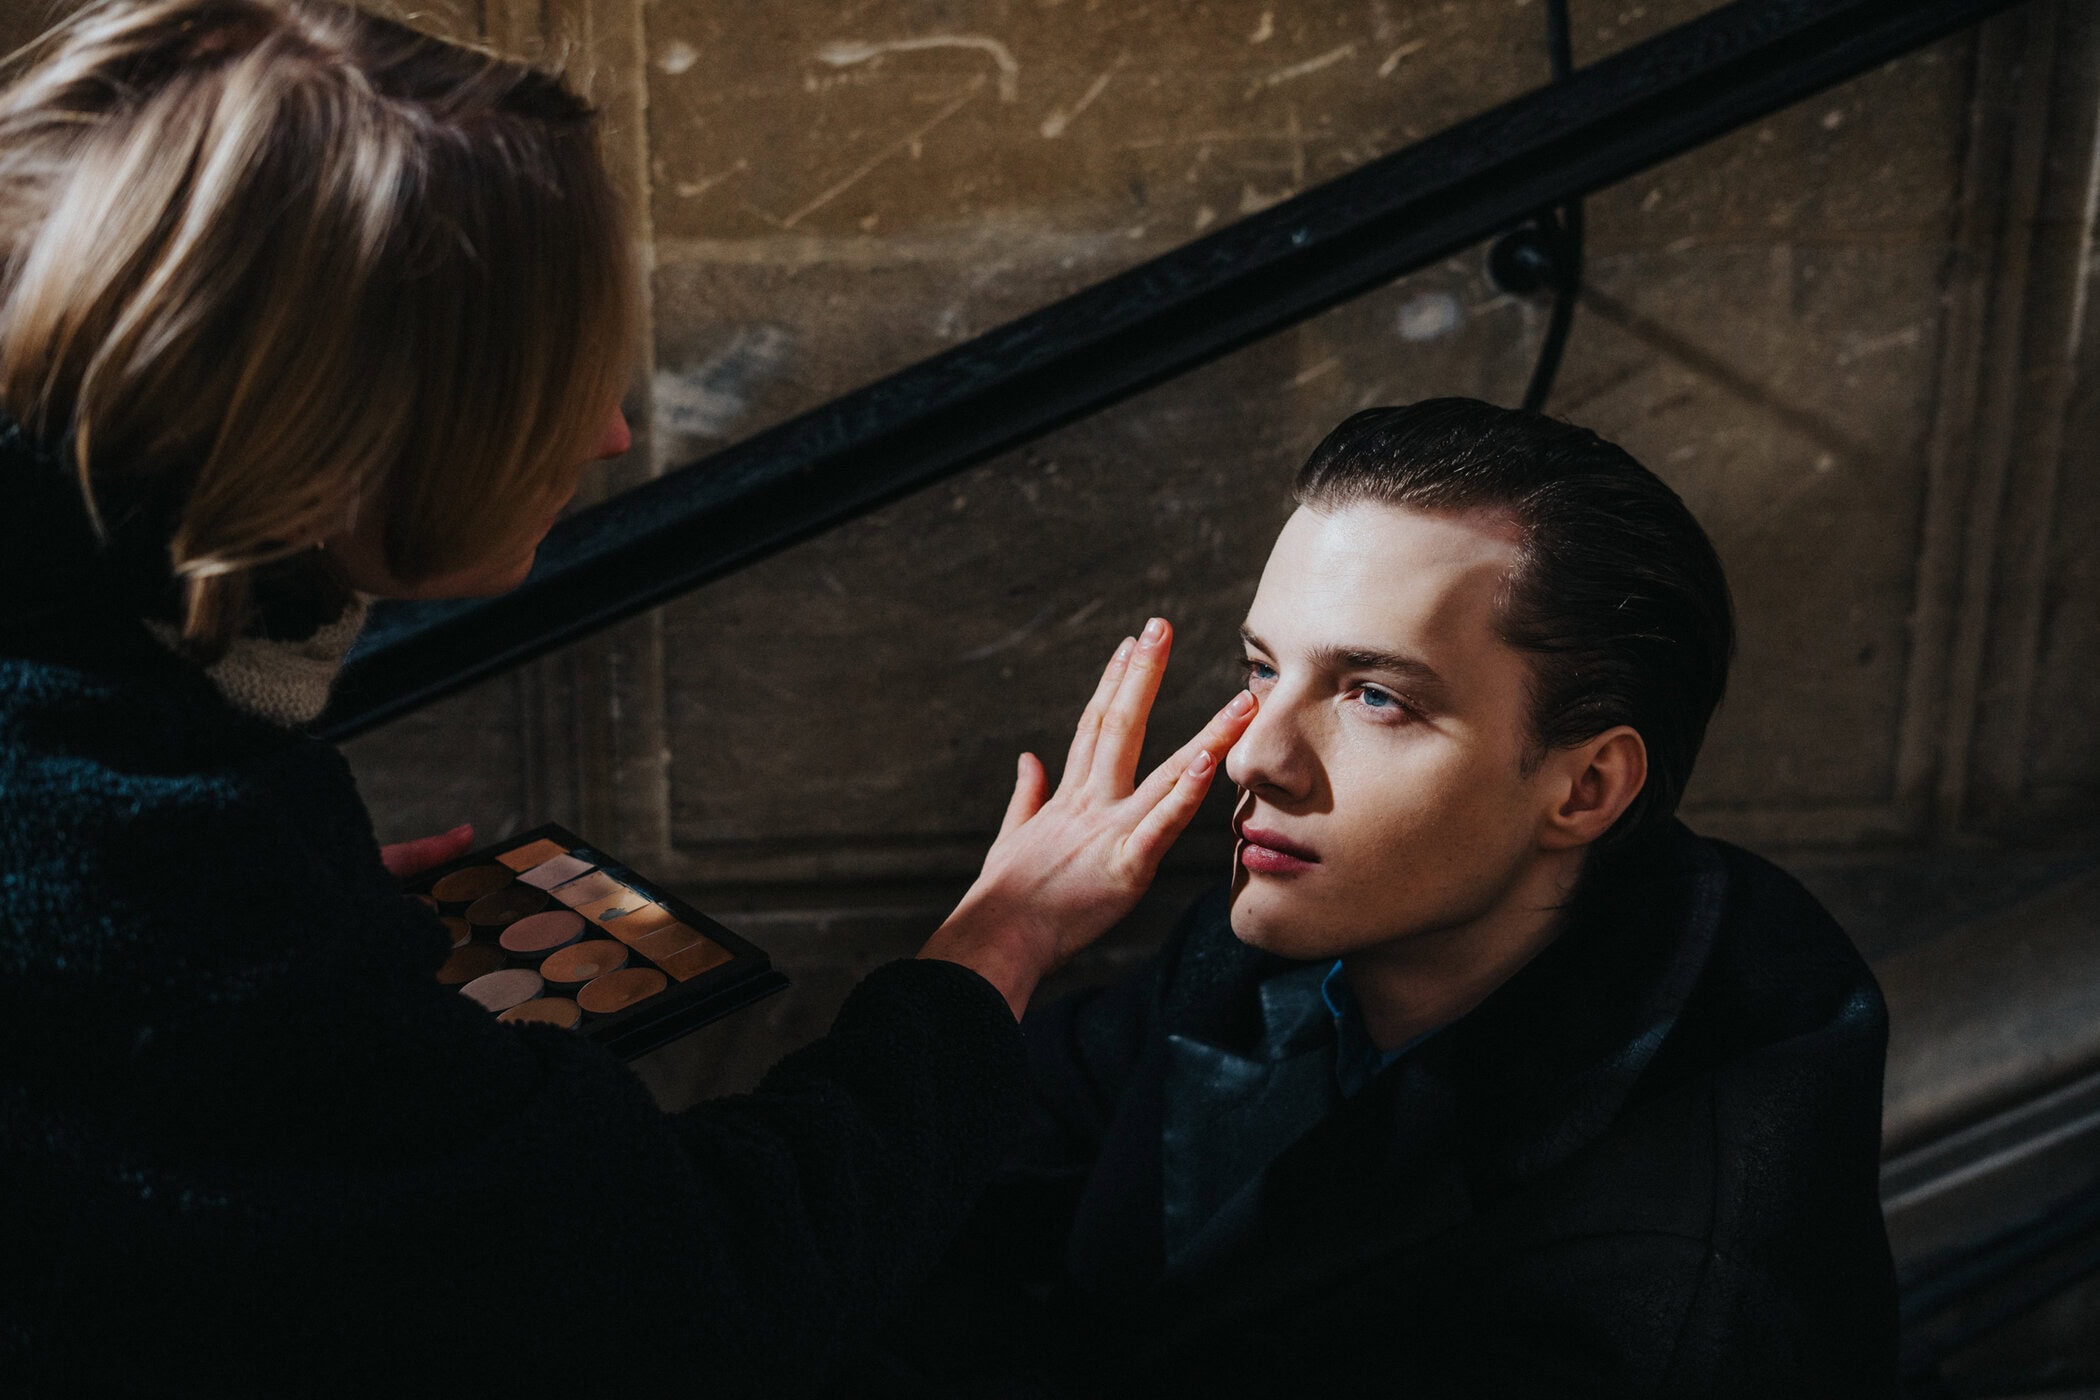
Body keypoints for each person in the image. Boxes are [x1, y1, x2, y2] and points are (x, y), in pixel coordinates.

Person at [0, 2, 1256, 1393]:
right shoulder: (159, 870)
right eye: (542, 381)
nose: (610, 430)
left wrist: (311, 935)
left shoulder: (120, 707)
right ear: (330, 443)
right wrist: (1000, 944)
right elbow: (688, 1294)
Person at [848, 400, 1899, 1398]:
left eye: (1377, 696)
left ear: (1585, 788)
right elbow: (980, 1178)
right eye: (1265, 667)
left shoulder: (1663, 1296)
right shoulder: (1316, 913)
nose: (1255, 754)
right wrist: (1000, 942)